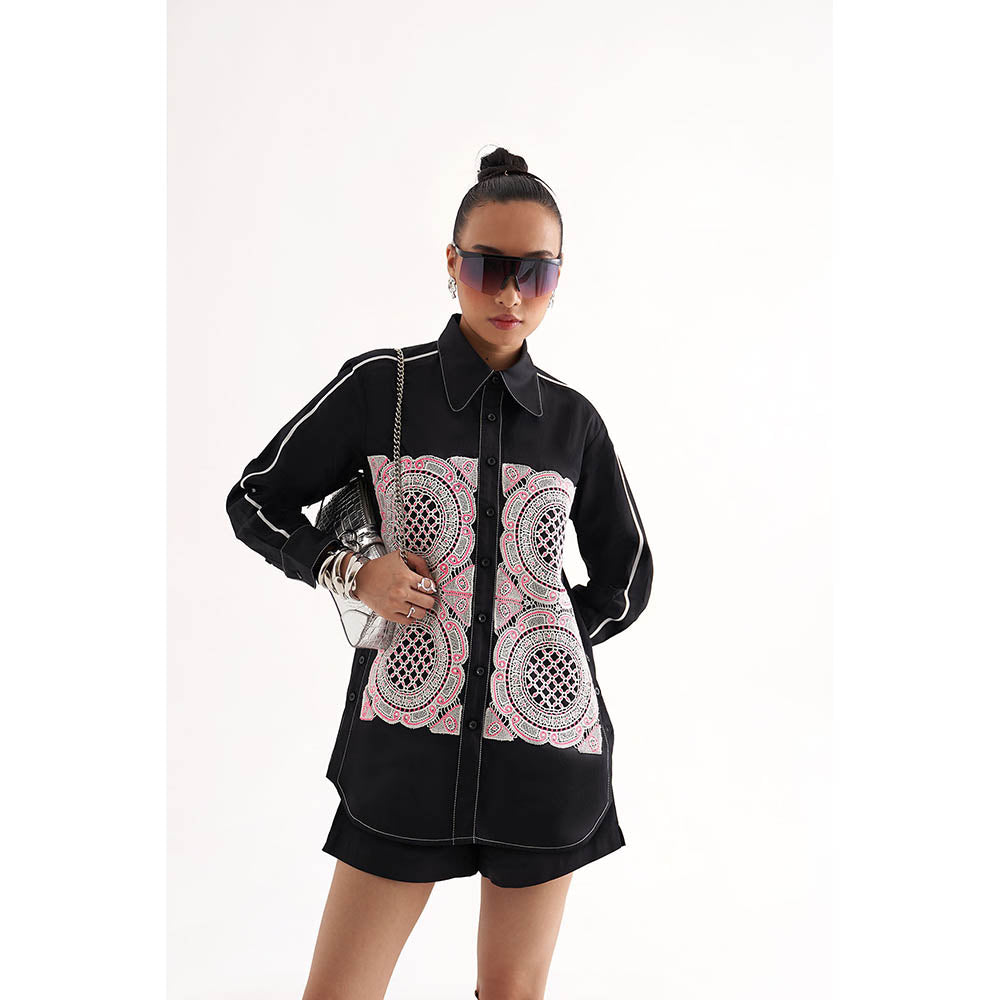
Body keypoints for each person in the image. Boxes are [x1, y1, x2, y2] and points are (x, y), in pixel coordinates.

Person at [225, 146, 654, 1000]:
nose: (510, 294)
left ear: (557, 280)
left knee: (511, 994)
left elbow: (627, 575)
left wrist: (546, 638)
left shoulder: (574, 421)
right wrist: (351, 572)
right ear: (453, 263)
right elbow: (255, 499)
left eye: (536, 274)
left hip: (544, 753)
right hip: (403, 748)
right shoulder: (381, 388)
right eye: (490, 267)